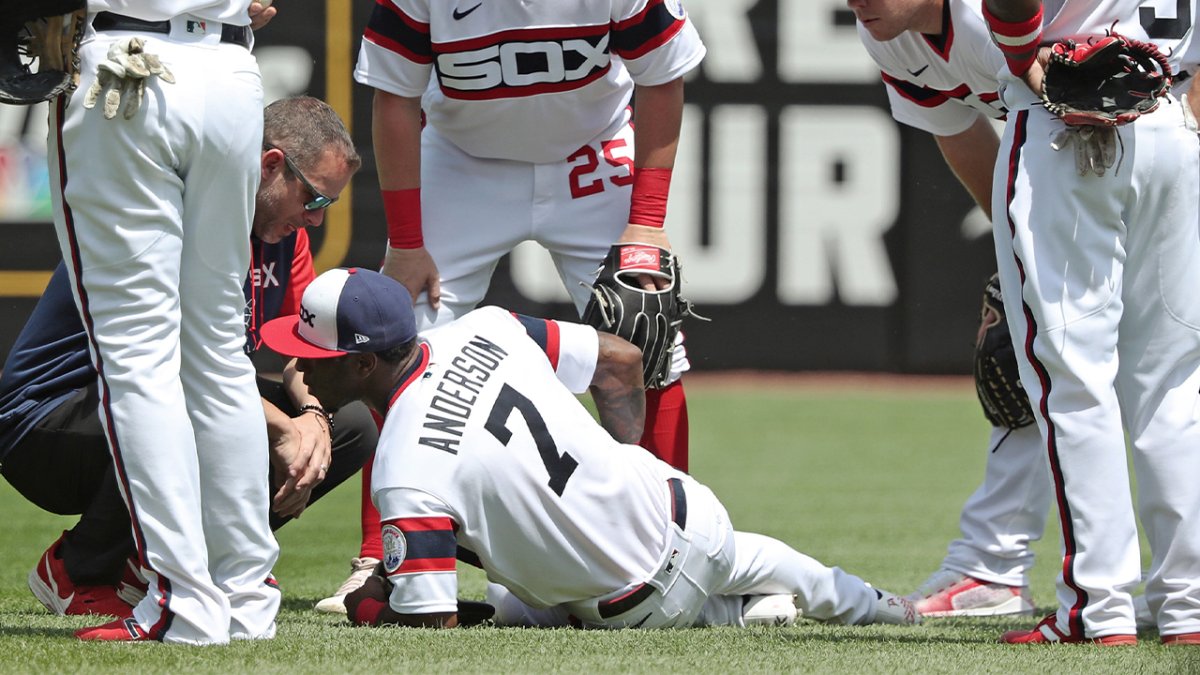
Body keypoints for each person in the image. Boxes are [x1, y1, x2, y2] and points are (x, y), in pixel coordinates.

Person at [313, 0, 707, 615]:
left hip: (593, 152)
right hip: (460, 161)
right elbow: (394, 98)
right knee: (398, 345)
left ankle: (674, 549)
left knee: (650, 338)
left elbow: (662, 77)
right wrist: (409, 243)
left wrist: (647, 224)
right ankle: (380, 559)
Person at [258, 267, 922, 630]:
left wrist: (369, 601)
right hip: (690, 516)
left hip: (629, 611)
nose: (300, 367)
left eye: (316, 355)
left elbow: (430, 619)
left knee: (510, 595)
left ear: (368, 364)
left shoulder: (402, 467)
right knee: (756, 560)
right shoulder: (488, 326)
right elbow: (621, 359)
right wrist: (617, 460)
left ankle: (750, 612)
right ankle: (870, 604)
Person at [0, 96, 374, 626]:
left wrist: (312, 418)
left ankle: (152, 564)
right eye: (312, 198)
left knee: (351, 424)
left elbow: (300, 355)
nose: (314, 220)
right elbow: (176, 364)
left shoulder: (284, 240)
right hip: (45, 422)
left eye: (328, 207)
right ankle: (77, 568)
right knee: (193, 407)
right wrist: (281, 428)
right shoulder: (178, 214)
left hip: (160, 396)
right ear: (269, 166)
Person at [981, 0, 1200, 646]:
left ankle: (1096, 606)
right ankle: (1187, 605)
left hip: (1062, 119)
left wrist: (1024, 60)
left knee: (1073, 382)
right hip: (1171, 120)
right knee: (1174, 385)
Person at [851, 0, 1048, 618]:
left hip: (1152, 169)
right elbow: (963, 135)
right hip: (1093, 188)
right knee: (1028, 365)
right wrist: (1021, 251)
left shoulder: (1006, 16)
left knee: (1162, 388)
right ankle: (991, 570)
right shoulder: (891, 33)